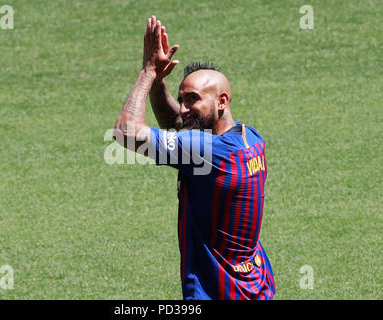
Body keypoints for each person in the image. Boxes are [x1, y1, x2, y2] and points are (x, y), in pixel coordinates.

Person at [113, 16, 276, 300]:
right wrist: (158, 85)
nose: (185, 108)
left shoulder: (209, 152)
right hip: (254, 286)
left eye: (193, 99)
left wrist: (148, 73)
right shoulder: (251, 139)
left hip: (216, 292)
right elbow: (180, 127)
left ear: (222, 101)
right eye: (183, 98)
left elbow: (126, 132)